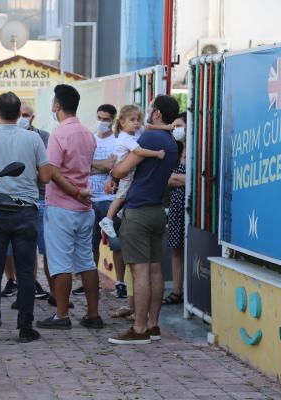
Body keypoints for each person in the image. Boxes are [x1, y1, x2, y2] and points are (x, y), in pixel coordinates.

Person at [0, 92, 51, 344]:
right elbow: (46, 177)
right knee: (27, 272)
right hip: (25, 210)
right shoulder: (33, 138)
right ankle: (25, 328)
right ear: (19, 114)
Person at [108, 95, 179, 345]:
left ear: (157, 114)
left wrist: (113, 170)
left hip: (138, 211)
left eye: (150, 111)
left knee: (139, 271)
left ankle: (138, 329)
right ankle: (153, 324)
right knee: (155, 269)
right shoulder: (171, 142)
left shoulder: (150, 138)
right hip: (158, 209)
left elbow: (121, 170)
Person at [37, 84, 102, 331]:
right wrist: (79, 193)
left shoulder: (58, 134)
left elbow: (51, 171)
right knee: (87, 261)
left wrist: (74, 191)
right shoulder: (87, 133)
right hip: (85, 208)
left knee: (60, 262)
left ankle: (62, 315)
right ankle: (93, 314)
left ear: (57, 106)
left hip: (62, 207)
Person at [73, 104, 128, 299]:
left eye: (106, 119)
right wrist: (103, 166)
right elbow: (81, 166)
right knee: (90, 245)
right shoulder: (90, 139)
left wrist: (96, 166)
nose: (102, 122)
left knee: (116, 243)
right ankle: (91, 283)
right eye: (99, 118)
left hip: (110, 200)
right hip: (89, 199)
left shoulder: (117, 141)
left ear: (113, 121)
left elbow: (114, 166)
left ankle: (120, 283)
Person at [4, 103, 51, 304]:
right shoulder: (6, 137)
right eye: (20, 114)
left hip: (38, 199)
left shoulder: (42, 137)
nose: (23, 118)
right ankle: (25, 289)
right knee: (19, 251)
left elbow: (46, 172)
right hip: (13, 200)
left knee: (44, 250)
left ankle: (54, 292)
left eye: (26, 115)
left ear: (32, 118)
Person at [98, 105, 166, 238]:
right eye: (132, 120)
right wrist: (157, 153)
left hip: (127, 172)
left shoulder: (135, 132)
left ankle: (120, 212)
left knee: (130, 192)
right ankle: (107, 220)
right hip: (124, 173)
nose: (136, 123)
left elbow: (147, 127)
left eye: (138, 119)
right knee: (121, 195)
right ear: (122, 122)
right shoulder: (125, 137)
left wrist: (167, 127)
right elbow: (139, 151)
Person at [163, 112, 187, 306]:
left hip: (190, 207)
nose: (175, 130)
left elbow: (195, 179)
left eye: (178, 125)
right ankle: (177, 291)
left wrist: (178, 179)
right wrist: (183, 180)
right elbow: (167, 179)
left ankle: (190, 292)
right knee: (176, 249)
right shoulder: (175, 150)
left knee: (190, 248)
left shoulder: (200, 151)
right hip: (176, 205)